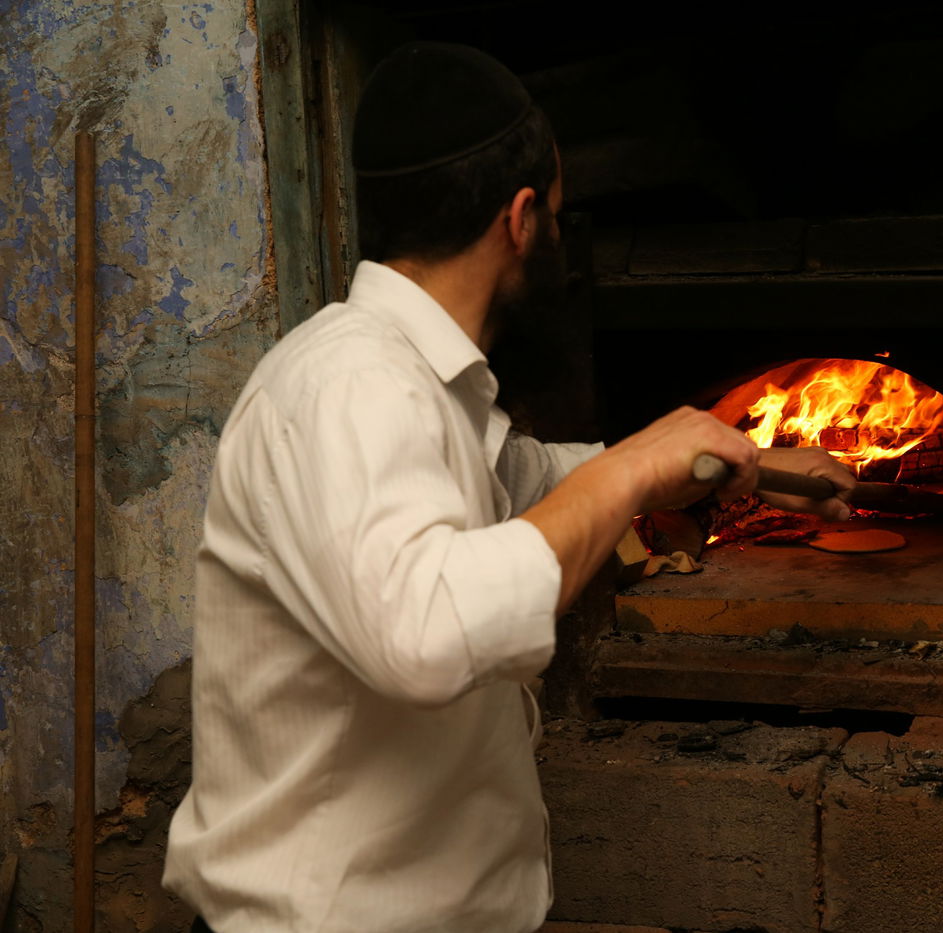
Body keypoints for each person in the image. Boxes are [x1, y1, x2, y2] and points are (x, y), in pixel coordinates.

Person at [162, 42, 854, 933]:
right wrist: (634, 466)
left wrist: (738, 470)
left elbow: (526, 486)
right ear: (520, 218)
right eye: (559, 216)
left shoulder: (418, 383)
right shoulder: (347, 385)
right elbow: (424, 633)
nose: (558, 236)